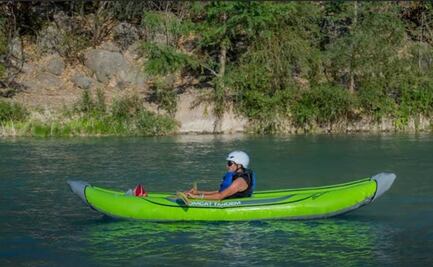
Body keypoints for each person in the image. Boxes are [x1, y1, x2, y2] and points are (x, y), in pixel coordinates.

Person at [185, 151, 255, 200]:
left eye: (230, 163)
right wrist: (198, 193)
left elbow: (220, 196)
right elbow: (221, 192)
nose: (227, 166)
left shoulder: (240, 181)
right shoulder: (236, 176)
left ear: (239, 165)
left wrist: (196, 197)